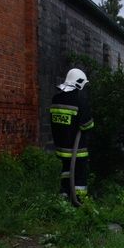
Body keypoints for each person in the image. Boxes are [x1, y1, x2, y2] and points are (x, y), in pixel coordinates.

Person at [49, 68, 94, 203]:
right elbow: (87, 125)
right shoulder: (78, 101)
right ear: (79, 82)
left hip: (61, 147)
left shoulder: (55, 98)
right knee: (79, 175)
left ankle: (64, 194)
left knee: (66, 171)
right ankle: (79, 200)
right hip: (77, 149)